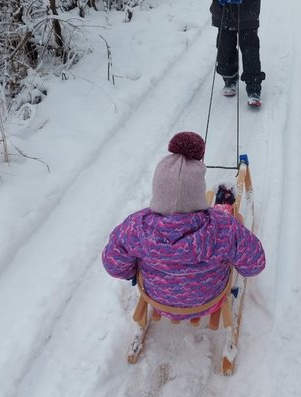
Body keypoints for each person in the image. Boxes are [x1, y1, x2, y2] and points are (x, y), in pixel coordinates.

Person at [102, 131, 265, 320]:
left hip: (158, 301)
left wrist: (134, 269)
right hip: (210, 300)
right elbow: (255, 265)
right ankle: (224, 204)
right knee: (234, 219)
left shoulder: (135, 227)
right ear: (198, 192)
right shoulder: (224, 227)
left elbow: (113, 265)